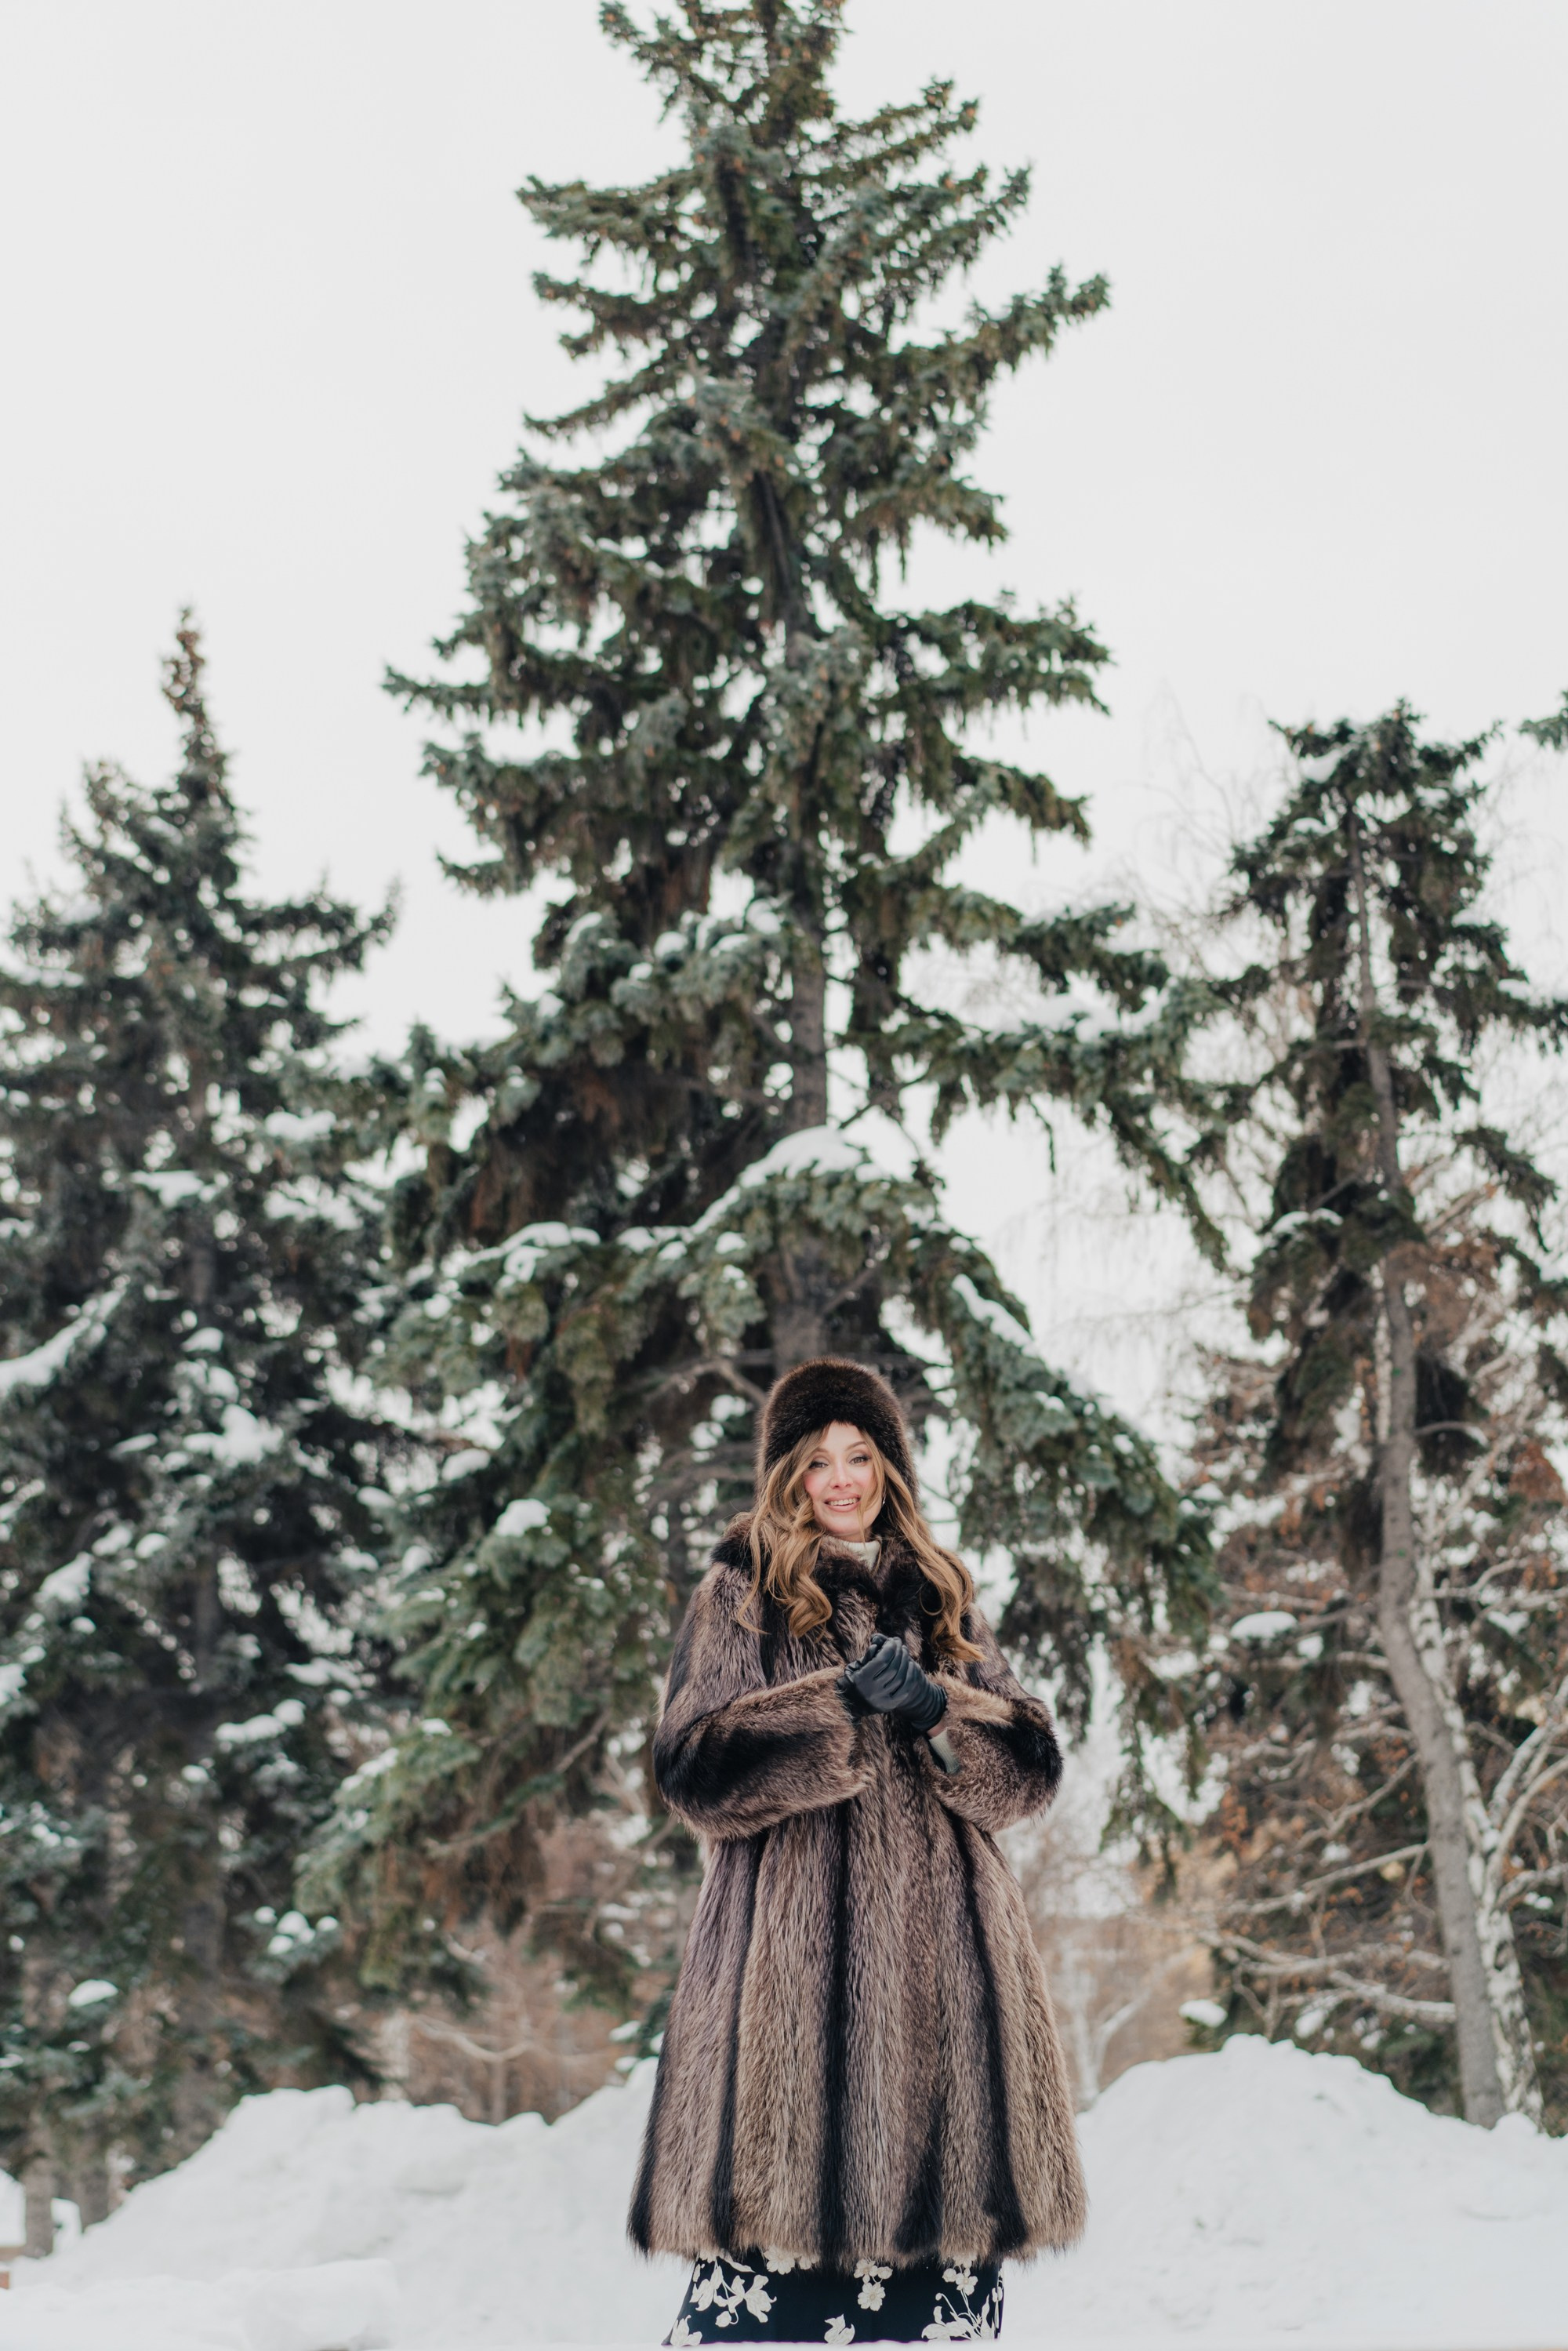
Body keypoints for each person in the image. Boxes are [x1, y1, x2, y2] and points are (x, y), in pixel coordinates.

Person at [629, 1357, 1084, 2345]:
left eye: (860, 1456)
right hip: (788, 1994)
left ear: (889, 1467)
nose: (841, 1480)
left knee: (933, 2299)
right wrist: (829, 1704)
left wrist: (936, 1709)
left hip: (943, 1986)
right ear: (788, 1474)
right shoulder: (739, 1590)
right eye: (819, 1461)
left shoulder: (940, 1593)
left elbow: (1028, 1771)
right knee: (762, 2301)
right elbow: (690, 1769)